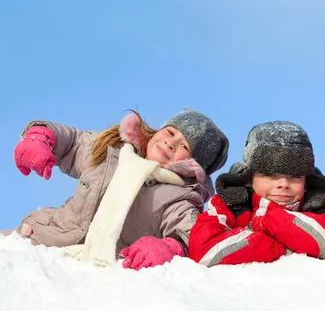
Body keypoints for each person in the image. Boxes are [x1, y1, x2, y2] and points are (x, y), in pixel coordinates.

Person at [7, 109, 228, 269]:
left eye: (184, 146)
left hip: (90, 275)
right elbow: (73, 143)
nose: (171, 143)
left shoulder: (180, 198)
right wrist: (41, 137)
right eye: (170, 132)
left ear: (193, 165)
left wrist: (169, 247)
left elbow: (189, 236)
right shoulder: (113, 151)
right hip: (33, 241)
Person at [188, 121, 325, 266]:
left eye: (295, 177)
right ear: (248, 178)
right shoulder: (230, 203)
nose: (283, 185)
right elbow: (203, 252)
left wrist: (268, 221)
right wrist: (282, 245)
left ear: (306, 181)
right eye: (271, 176)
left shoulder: (320, 202)